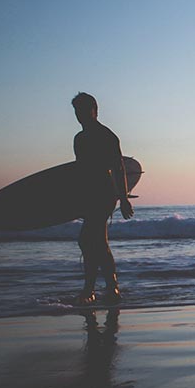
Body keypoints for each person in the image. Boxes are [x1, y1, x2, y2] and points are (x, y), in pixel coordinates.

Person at [72, 92, 134, 305]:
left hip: (105, 194)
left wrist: (124, 199)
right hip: (88, 195)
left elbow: (119, 168)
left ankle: (93, 289)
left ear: (95, 110)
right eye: (77, 111)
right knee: (95, 242)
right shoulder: (79, 139)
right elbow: (80, 172)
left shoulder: (107, 136)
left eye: (84, 110)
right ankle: (109, 288)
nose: (80, 115)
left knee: (89, 240)